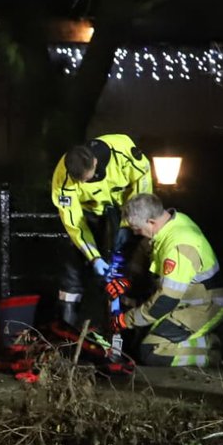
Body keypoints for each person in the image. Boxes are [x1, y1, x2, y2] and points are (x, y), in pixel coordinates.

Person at [111, 194, 223, 367]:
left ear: (151, 222)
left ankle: (213, 351)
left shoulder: (178, 247)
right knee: (140, 335)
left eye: (137, 228)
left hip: (205, 306)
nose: (136, 233)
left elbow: (165, 301)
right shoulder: (173, 222)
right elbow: (146, 247)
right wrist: (128, 282)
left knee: (151, 351)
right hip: (188, 301)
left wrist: (125, 320)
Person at [51, 134, 152, 329]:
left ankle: (125, 327)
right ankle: (69, 331)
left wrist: (132, 221)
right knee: (73, 262)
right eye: (78, 181)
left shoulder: (123, 151)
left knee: (129, 264)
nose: (81, 185)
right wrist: (94, 257)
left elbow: (143, 181)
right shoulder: (63, 177)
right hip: (89, 213)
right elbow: (74, 223)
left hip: (126, 208)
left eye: (86, 180)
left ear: (95, 162)